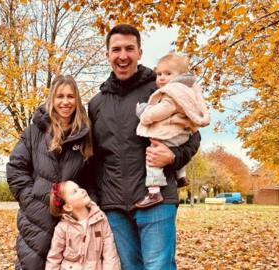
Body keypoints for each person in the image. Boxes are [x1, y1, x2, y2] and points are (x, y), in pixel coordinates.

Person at [86, 24, 201, 270]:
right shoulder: (96, 104)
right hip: (114, 207)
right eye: (116, 49)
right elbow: (93, 158)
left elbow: (192, 135)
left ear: (140, 52)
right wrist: (98, 199)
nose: (123, 55)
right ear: (108, 55)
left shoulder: (161, 91)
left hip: (157, 202)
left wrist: (173, 156)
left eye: (129, 48)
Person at [6, 75, 93, 270]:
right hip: (36, 216)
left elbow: (92, 177)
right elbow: (16, 168)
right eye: (60, 96)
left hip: (73, 220)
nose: (65, 102)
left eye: (70, 96)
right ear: (52, 99)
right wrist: (30, 200)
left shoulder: (85, 135)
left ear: (77, 100)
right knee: (32, 264)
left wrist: (84, 209)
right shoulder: (33, 132)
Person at [134, 53, 210, 209]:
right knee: (171, 148)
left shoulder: (172, 92)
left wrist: (145, 115)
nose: (161, 78)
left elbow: (162, 110)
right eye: (159, 74)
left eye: (168, 74)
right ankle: (181, 176)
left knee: (153, 156)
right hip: (182, 133)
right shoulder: (188, 90)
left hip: (172, 133)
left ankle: (154, 190)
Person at [45, 180, 120, 270]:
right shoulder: (62, 228)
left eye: (79, 187)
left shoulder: (100, 218)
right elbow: (54, 259)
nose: (82, 190)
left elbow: (110, 253)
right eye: (75, 191)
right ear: (68, 207)